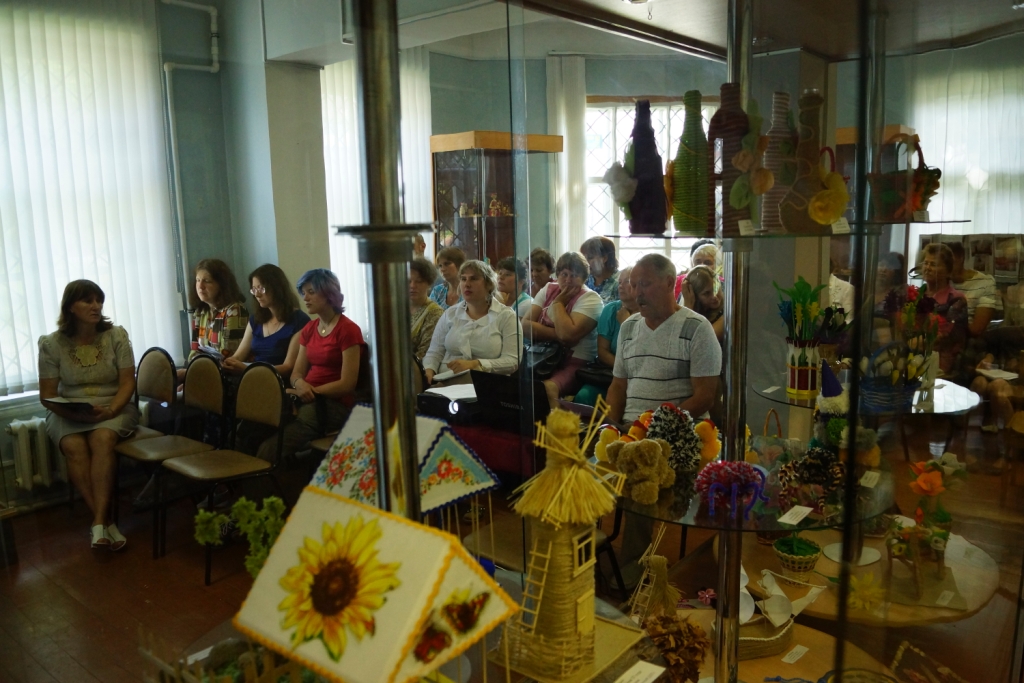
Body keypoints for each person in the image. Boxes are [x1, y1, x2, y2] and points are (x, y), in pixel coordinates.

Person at [38, 280, 137, 551]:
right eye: (88, 301)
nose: (96, 306)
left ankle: (99, 523)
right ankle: (104, 522)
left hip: (114, 406)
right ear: (71, 307)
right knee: (74, 446)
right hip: (68, 410)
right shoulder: (51, 343)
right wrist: (75, 415)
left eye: (98, 300)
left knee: (102, 438)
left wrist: (112, 410)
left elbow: (128, 382)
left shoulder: (116, 336)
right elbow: (47, 395)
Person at [258, 269, 364, 464]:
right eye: (303, 293)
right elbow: (296, 373)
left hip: (333, 404)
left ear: (329, 294)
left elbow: (347, 384)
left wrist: (309, 392)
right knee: (255, 427)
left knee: (268, 449)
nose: (305, 298)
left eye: (311, 292)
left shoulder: (348, 330)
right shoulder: (309, 329)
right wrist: (300, 386)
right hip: (307, 398)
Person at [608, 254, 722, 425]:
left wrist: (652, 427)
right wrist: (608, 427)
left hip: (680, 431)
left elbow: (704, 398)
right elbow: (618, 387)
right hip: (631, 430)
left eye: (645, 284)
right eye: (633, 285)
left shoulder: (697, 327)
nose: (637, 293)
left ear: (669, 283)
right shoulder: (628, 327)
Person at [524, 252, 604, 405]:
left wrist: (558, 303)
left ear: (584, 278)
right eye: (564, 274)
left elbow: (568, 335)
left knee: (547, 389)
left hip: (574, 362)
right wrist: (558, 335)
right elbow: (525, 325)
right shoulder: (549, 288)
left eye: (574, 275)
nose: (568, 280)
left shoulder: (591, 298)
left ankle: (557, 421)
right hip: (542, 356)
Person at [422, 260, 522, 383]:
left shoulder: (506, 316)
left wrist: (477, 364)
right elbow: (434, 352)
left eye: (474, 279)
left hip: (487, 384)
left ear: (489, 284)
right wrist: (429, 371)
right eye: (463, 279)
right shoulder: (450, 314)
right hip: (447, 382)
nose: (467, 284)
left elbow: (512, 361)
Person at [222, 264, 310, 378]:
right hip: (254, 378)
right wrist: (229, 362)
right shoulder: (256, 319)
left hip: (279, 381)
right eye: (254, 289)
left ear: (277, 288)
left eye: (261, 288)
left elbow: (288, 367)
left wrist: (249, 370)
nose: (257, 294)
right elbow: (239, 356)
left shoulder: (299, 320)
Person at [575, 266, 636, 406]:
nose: (621, 286)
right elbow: (602, 352)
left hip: (639, 376)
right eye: (619, 282)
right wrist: (622, 370)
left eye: (626, 281)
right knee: (584, 396)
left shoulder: (648, 313)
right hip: (611, 372)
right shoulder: (611, 309)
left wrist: (626, 324)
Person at [183, 258, 248, 380]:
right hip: (204, 373)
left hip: (227, 377)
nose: (200, 286)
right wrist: (191, 373)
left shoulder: (235, 311)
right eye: (198, 280)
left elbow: (227, 356)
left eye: (207, 281)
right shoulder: (200, 313)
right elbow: (194, 350)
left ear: (221, 285)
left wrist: (191, 374)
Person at [918, 243, 969, 379]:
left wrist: (915, 342)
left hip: (942, 366)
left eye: (933, 264)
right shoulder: (916, 295)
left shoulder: (956, 299)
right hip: (914, 359)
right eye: (926, 263)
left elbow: (949, 338)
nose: (927, 268)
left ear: (948, 271)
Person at [949, 241, 1001, 336]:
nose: (945, 265)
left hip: (969, 338)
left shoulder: (984, 282)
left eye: (948, 260)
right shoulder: (941, 281)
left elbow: (977, 329)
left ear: (960, 258)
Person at [410, 257, 444, 361]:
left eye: (419, 281)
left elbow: (424, 354)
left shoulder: (435, 313)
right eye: (408, 281)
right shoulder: (396, 309)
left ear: (429, 283)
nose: (412, 286)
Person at [679, 265, 725, 342]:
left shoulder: (726, 314)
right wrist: (688, 305)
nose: (714, 296)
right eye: (707, 293)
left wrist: (688, 306)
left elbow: (700, 341)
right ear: (694, 295)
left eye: (716, 289)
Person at [580, 236, 620, 304]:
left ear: (604, 258)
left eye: (590, 258)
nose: (585, 262)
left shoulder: (619, 283)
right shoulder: (584, 280)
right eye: (583, 258)